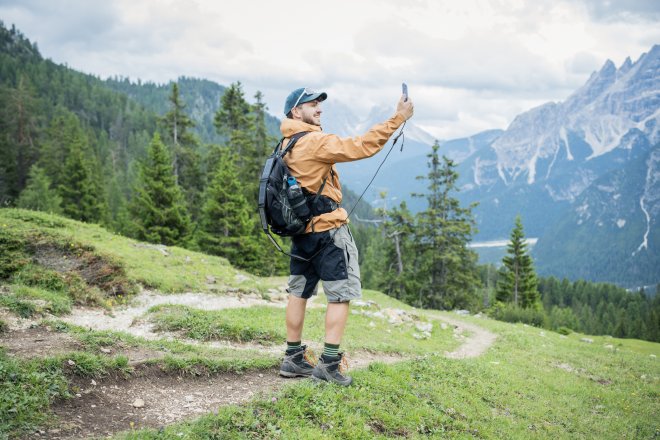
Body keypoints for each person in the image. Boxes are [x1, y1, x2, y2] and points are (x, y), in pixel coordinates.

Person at [278, 87, 414, 386]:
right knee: (341, 294)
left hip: (302, 234)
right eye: (311, 104)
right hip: (328, 232)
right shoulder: (314, 141)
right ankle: (328, 364)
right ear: (294, 112)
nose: (318, 109)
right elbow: (361, 146)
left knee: (298, 292)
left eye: (318, 104)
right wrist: (397, 119)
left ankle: (292, 357)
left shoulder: (286, 142)